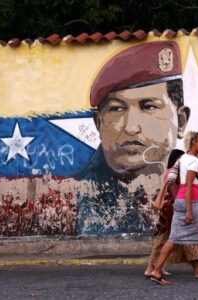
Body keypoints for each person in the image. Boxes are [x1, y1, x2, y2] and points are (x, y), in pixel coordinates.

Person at [74, 41, 191, 235]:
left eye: (149, 106)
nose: (131, 127)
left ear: (181, 121)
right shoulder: (77, 194)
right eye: (117, 109)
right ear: (98, 123)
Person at [149, 131, 198, 285]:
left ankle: (156, 271)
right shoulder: (193, 162)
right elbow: (189, 185)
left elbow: (172, 178)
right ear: (194, 143)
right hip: (190, 202)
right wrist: (190, 210)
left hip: (179, 202)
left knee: (172, 239)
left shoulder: (182, 159)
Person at [144, 149, 198, 279]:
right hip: (173, 211)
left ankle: (154, 268)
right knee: (180, 239)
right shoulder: (173, 174)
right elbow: (176, 194)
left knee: (167, 239)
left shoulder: (173, 172)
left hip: (171, 211)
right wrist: (187, 208)